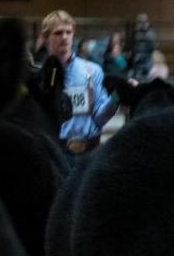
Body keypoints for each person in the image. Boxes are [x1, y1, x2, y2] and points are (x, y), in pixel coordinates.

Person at [41, 10, 120, 155]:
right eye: (58, 33)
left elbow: (100, 118)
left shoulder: (92, 71)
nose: (64, 37)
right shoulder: (40, 75)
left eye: (68, 32)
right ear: (47, 37)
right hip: (54, 152)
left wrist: (117, 97)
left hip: (88, 150)